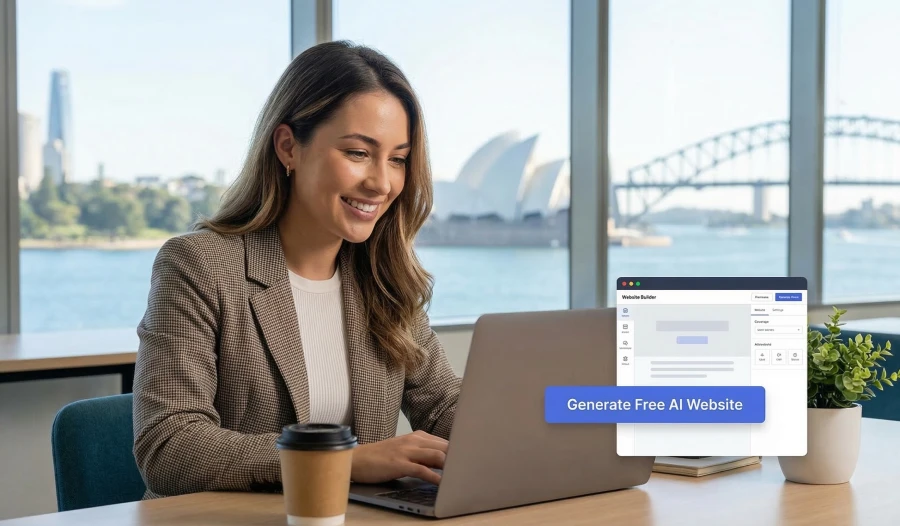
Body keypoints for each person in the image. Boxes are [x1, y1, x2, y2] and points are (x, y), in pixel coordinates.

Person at [132, 40, 462, 499]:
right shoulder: (199, 265)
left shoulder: (383, 279)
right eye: (357, 153)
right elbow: (170, 447)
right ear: (289, 147)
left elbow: (446, 405)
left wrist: (569, 415)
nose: (382, 182)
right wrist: (340, 461)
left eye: (398, 160)